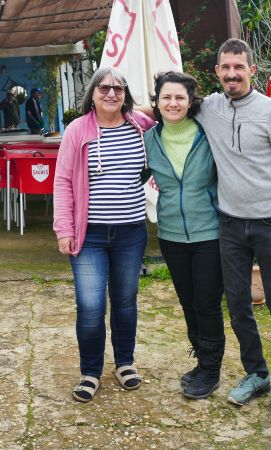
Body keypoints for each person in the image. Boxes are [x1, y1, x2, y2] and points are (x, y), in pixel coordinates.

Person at [198, 38, 271, 421]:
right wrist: (116, 108)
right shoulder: (208, 108)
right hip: (229, 223)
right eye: (225, 68)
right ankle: (257, 374)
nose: (232, 74)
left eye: (238, 67)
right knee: (238, 305)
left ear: (251, 70)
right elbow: (167, 105)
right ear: (217, 71)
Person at [53, 67, 155, 403]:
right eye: (104, 88)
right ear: (92, 93)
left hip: (131, 232)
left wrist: (142, 108)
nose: (111, 93)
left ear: (126, 95)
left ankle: (125, 363)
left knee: (125, 301)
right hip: (90, 235)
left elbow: (170, 111)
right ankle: (90, 372)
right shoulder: (77, 130)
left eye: (119, 89)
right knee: (90, 305)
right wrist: (64, 229)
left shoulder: (140, 126)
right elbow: (62, 181)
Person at [142, 71, 225, 400]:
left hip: (209, 233)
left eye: (180, 97)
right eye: (166, 97)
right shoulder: (149, 139)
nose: (173, 103)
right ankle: (202, 361)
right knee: (188, 302)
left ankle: (211, 370)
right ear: (157, 102)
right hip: (171, 234)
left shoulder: (208, 133)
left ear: (191, 102)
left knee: (207, 303)